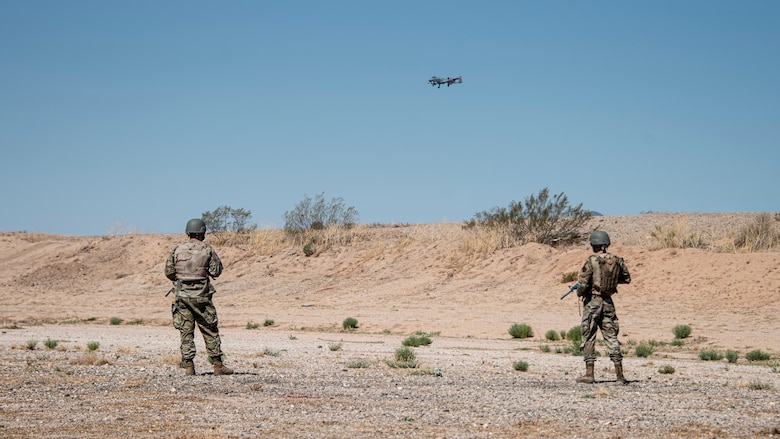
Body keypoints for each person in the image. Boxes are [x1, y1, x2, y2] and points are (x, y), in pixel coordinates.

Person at [165, 218, 234, 376]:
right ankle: (218, 365)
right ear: (202, 232)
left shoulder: (177, 249)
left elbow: (169, 272)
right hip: (202, 297)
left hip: (182, 296)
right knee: (209, 329)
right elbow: (216, 270)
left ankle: (189, 367)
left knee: (186, 331)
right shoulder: (207, 249)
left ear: (188, 232)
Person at [574, 230, 631, 384]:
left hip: (592, 303)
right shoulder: (617, 260)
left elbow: (583, 283)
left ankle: (589, 374)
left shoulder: (591, 260)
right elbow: (626, 278)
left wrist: (580, 292)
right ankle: (620, 376)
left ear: (595, 244)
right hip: (608, 302)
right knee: (611, 336)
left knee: (588, 336)